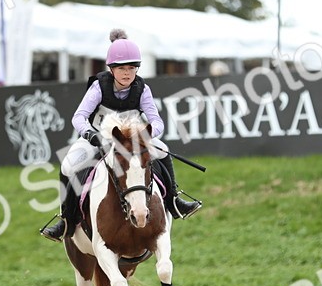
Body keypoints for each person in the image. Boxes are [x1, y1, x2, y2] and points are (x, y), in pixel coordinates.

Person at [40, 28, 202, 242]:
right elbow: (79, 117)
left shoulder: (142, 89)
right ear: (111, 69)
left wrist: (145, 135)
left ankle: (174, 201)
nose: (127, 73)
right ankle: (66, 220)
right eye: (122, 68)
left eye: (132, 68)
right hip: (100, 140)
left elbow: (157, 122)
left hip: (133, 141)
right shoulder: (99, 86)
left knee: (163, 152)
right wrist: (90, 135)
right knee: (68, 166)